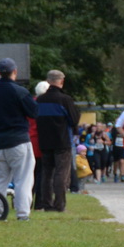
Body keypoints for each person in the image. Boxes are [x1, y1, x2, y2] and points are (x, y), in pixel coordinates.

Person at [0, 57, 39, 221]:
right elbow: (34, 112)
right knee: (23, 179)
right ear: (15, 71)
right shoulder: (19, 91)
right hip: (18, 140)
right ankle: (22, 214)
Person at [36, 70, 78, 212]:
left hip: (44, 140)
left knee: (46, 173)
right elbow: (74, 120)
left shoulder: (40, 100)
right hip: (62, 141)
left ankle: (46, 204)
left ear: (48, 81)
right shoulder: (65, 100)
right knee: (61, 173)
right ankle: (59, 204)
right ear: (61, 81)